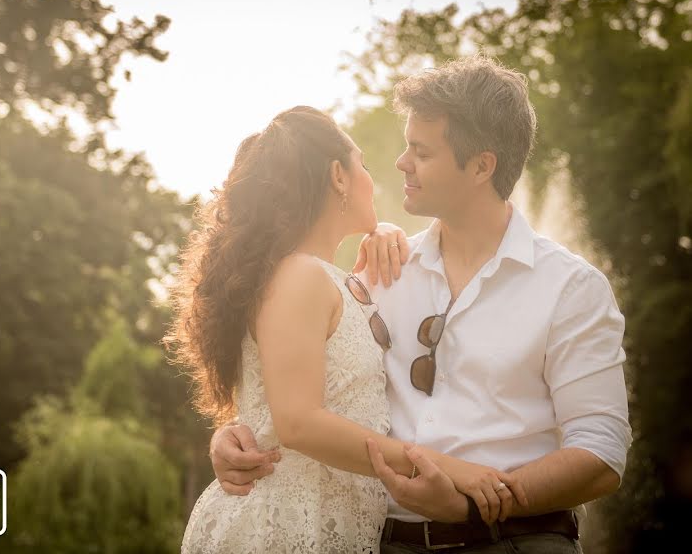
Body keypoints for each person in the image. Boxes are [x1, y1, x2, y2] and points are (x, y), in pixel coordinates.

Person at [209, 56, 632, 553]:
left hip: (518, 540)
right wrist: (239, 434)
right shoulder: (377, 273)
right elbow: (312, 395)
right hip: (381, 543)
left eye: (421, 151)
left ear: (481, 166)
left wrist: (477, 504)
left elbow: (601, 453)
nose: (400, 163)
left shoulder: (572, 288)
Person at [166, 105, 526, 554]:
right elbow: (296, 422)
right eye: (365, 165)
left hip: (333, 519)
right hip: (289, 523)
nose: (375, 179)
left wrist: (388, 233)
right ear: (338, 176)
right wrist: (446, 468)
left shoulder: (331, 278)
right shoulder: (299, 275)